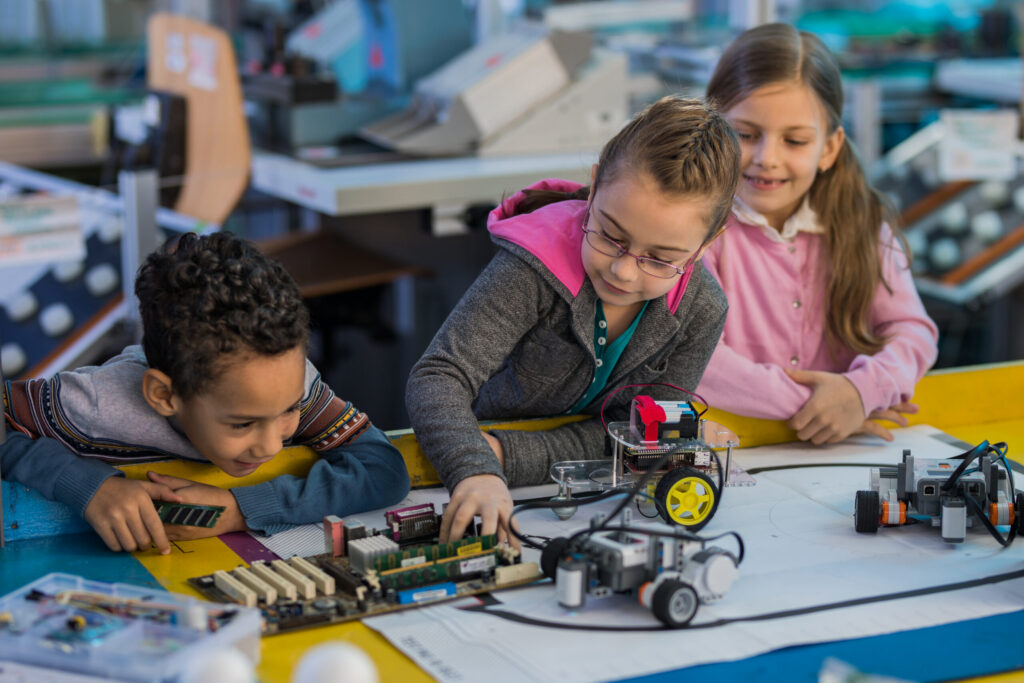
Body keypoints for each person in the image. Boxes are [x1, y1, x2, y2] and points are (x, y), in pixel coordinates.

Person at [407, 96, 741, 545]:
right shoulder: (531, 268)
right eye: (610, 234)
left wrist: (507, 457)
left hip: (574, 493)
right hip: (475, 478)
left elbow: (644, 442)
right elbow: (438, 376)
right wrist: (475, 469)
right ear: (597, 180)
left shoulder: (702, 309)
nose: (623, 270)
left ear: (706, 243)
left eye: (661, 259)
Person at [1, 232, 410, 554]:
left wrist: (239, 510)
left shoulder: (291, 380)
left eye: (288, 412)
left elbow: (383, 468)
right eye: (243, 423)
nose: (270, 444)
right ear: (164, 395)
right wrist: (88, 486)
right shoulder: (95, 401)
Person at [695, 23, 939, 445]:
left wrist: (863, 390)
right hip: (732, 447)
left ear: (828, 148)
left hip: (843, 447)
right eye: (745, 135)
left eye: (795, 140)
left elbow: (914, 331)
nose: (767, 158)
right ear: (712, 132)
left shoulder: (863, 225)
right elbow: (698, 358)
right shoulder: (692, 231)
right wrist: (825, 403)